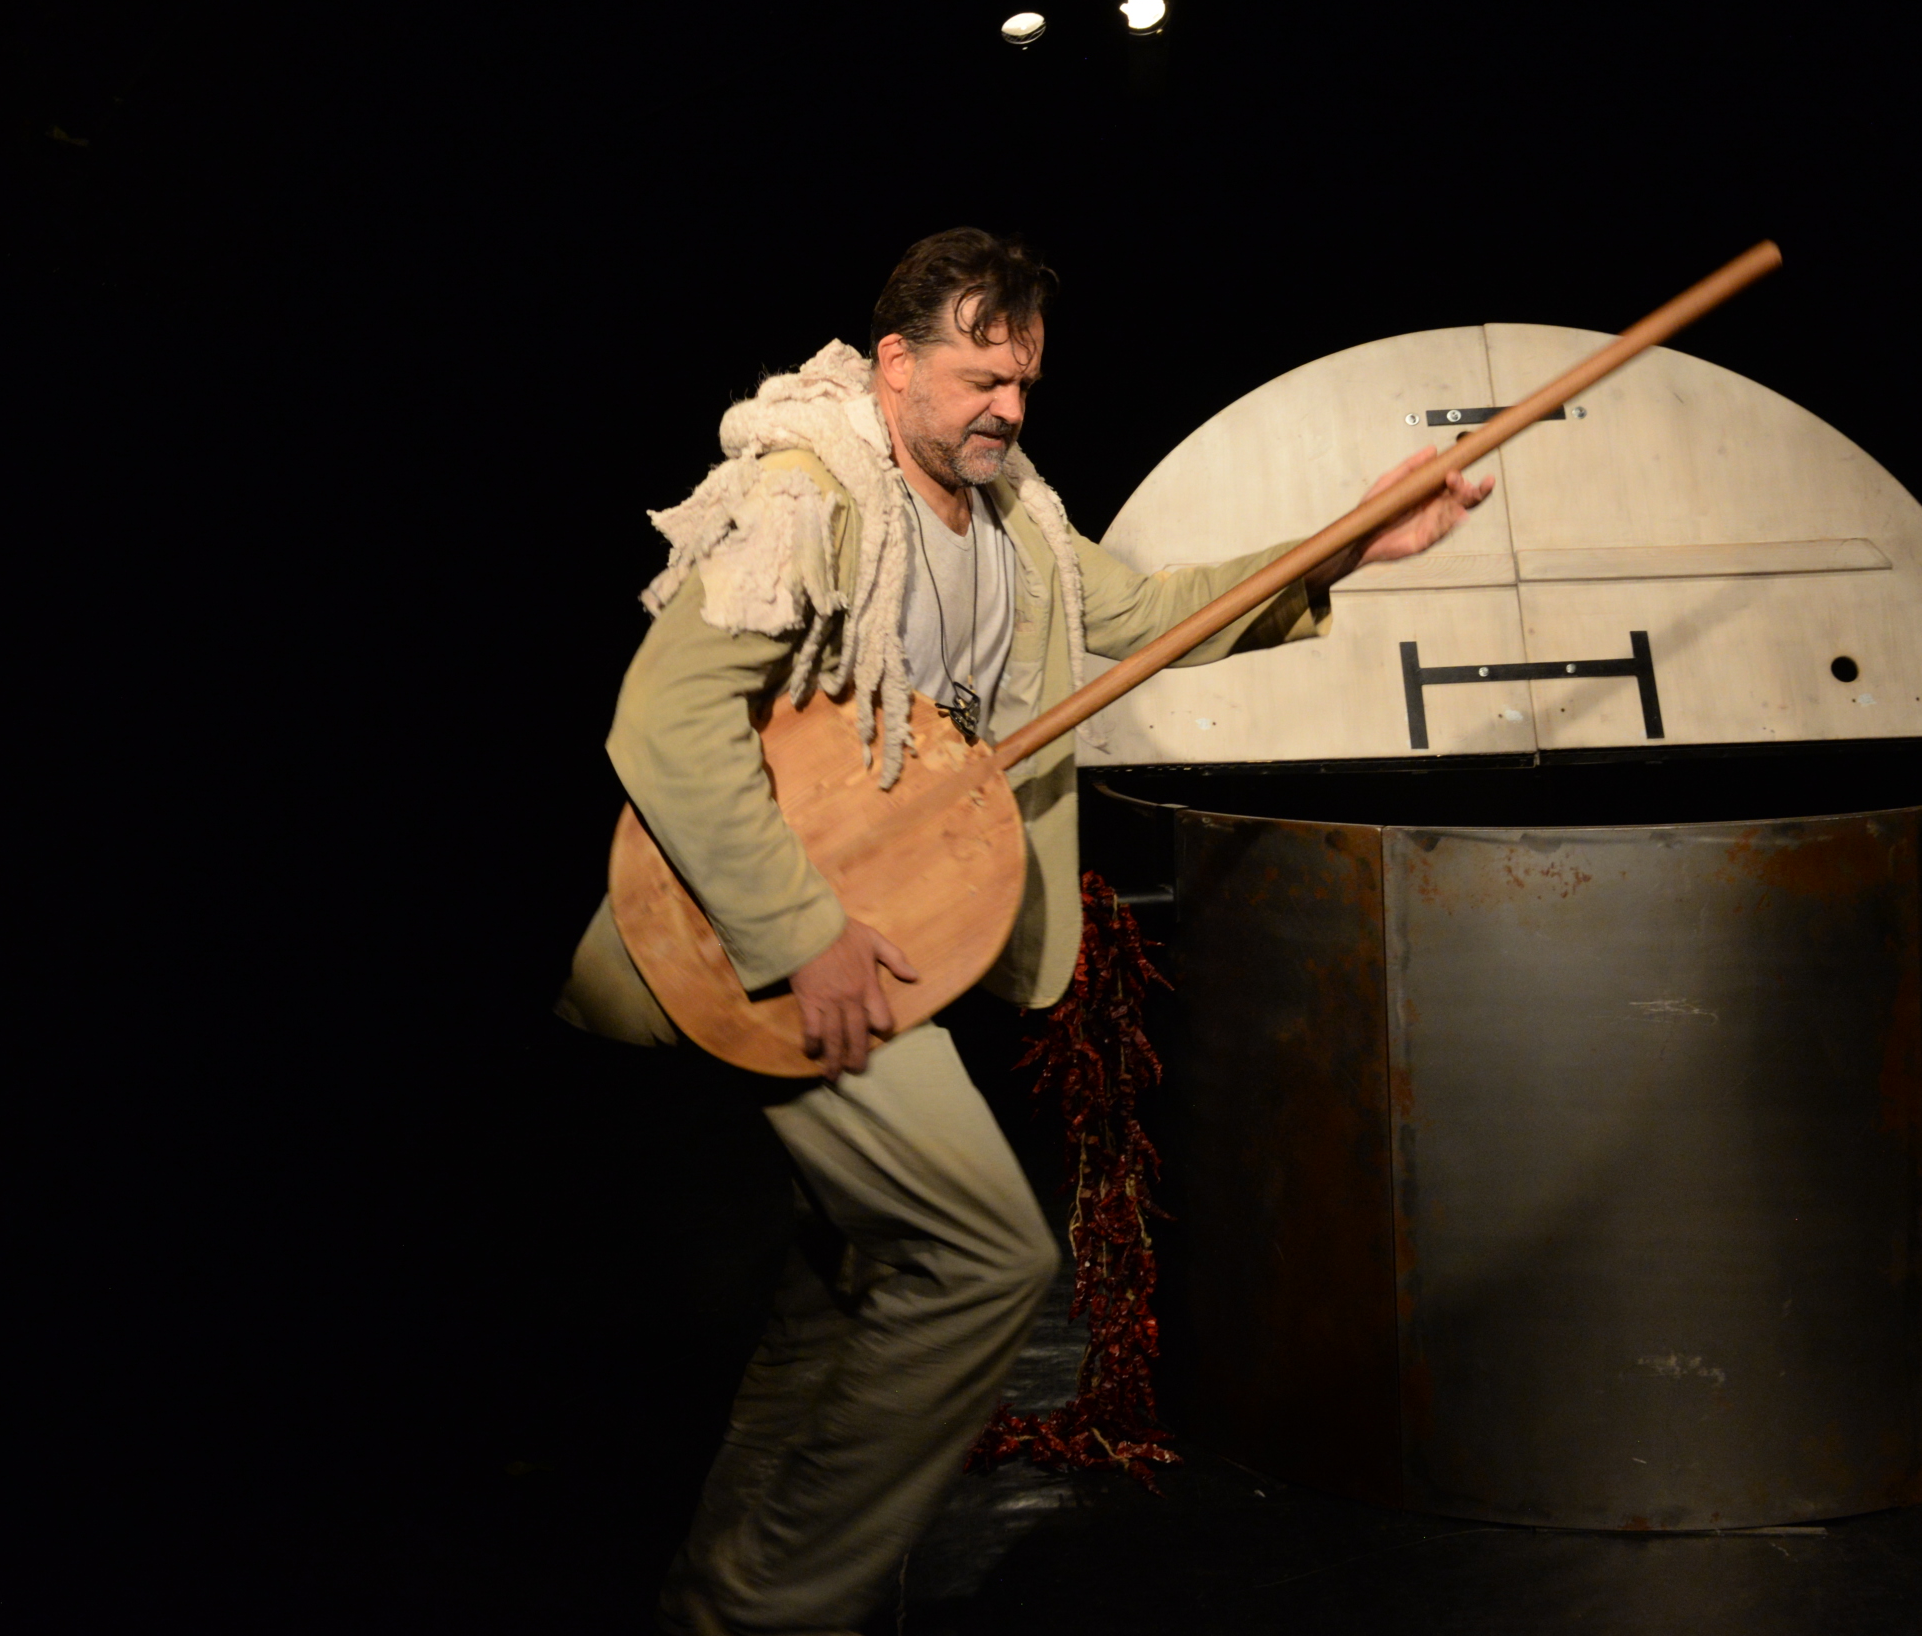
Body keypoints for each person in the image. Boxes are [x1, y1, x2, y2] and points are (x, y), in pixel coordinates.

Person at [557, 227, 1490, 1636]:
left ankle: (721, 1602)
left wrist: (1352, 543)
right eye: (981, 377)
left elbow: (1157, 616)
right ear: (894, 362)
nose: (1008, 407)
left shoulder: (1017, 521)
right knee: (981, 1258)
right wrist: (801, 933)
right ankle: (769, 1613)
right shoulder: (810, 496)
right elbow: (663, 718)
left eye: (1025, 382)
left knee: (849, 1283)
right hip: (772, 938)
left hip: (894, 931)